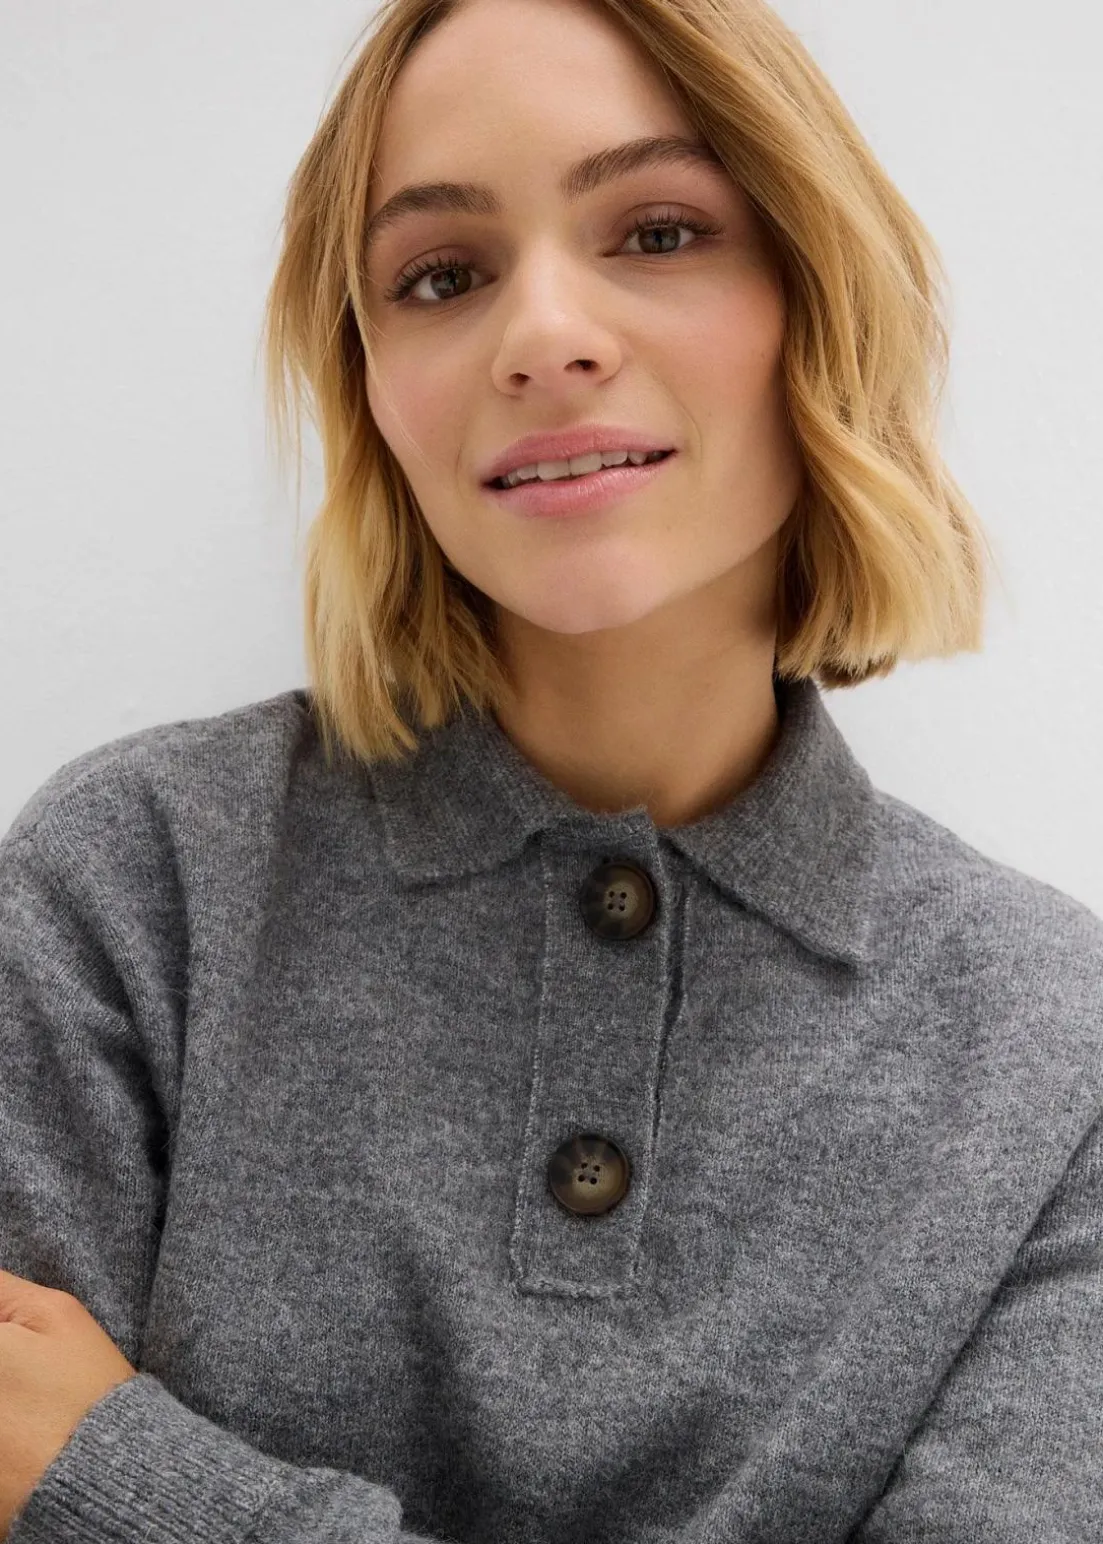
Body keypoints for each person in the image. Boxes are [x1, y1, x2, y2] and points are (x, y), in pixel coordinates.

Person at [2, 0, 1101, 1540]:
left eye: (657, 232)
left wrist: (131, 1489)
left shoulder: (1057, 1055)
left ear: (818, 295)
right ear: (371, 390)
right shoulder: (132, 895)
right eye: (441, 275)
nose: (542, 337)